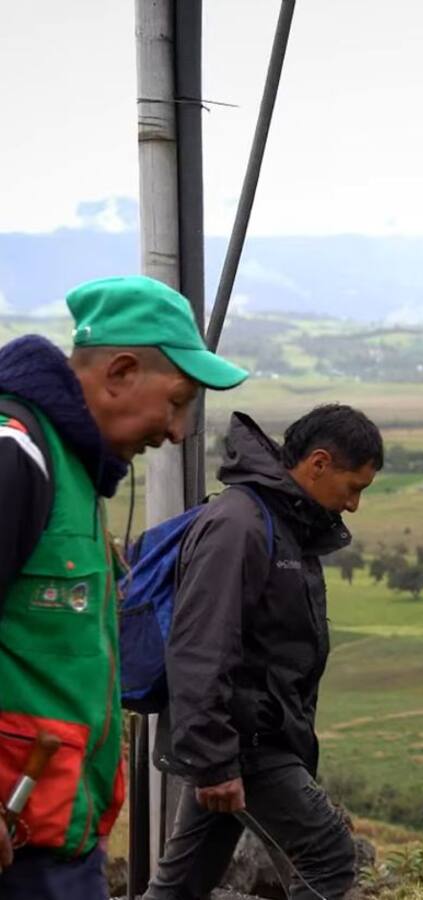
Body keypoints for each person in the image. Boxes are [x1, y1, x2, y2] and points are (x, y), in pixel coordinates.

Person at [0, 275, 248, 898]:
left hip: (53, 837)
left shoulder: (76, 476)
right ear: (121, 373)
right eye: (177, 399)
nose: (178, 430)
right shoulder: (16, 457)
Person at [144, 404, 383, 900]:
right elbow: (198, 646)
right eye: (353, 487)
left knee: (184, 884)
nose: (354, 505)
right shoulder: (240, 524)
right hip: (247, 741)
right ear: (318, 464)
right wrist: (214, 760)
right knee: (329, 855)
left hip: (245, 736)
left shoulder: (281, 522)